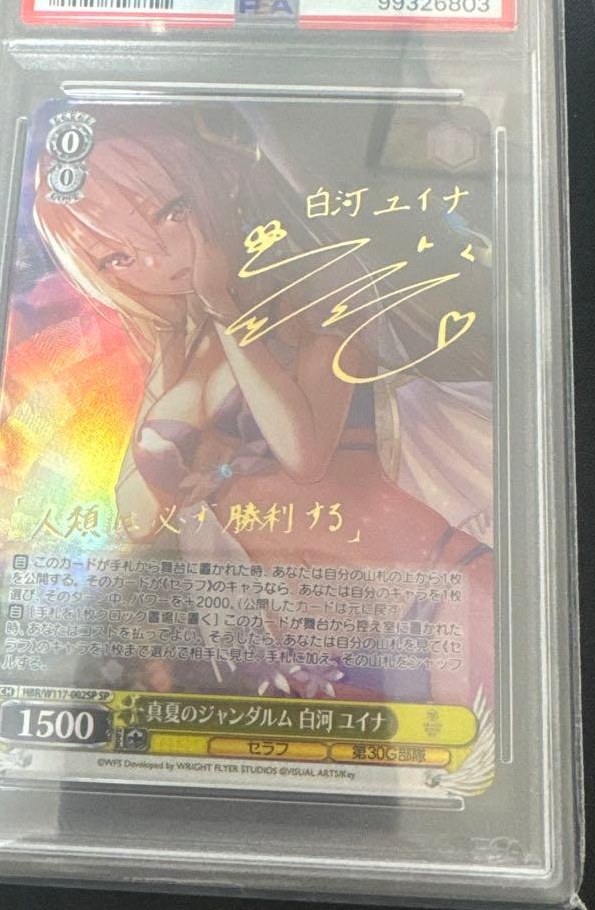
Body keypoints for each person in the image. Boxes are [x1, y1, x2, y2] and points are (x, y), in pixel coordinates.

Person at [33, 107, 493, 709]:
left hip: (429, 589)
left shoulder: (319, 281)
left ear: (218, 181)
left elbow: (304, 454)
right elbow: (138, 516)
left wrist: (226, 311)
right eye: (117, 257)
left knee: (473, 759)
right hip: (299, 652)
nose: (157, 259)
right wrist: (177, 345)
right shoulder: (179, 342)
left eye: (169, 213)